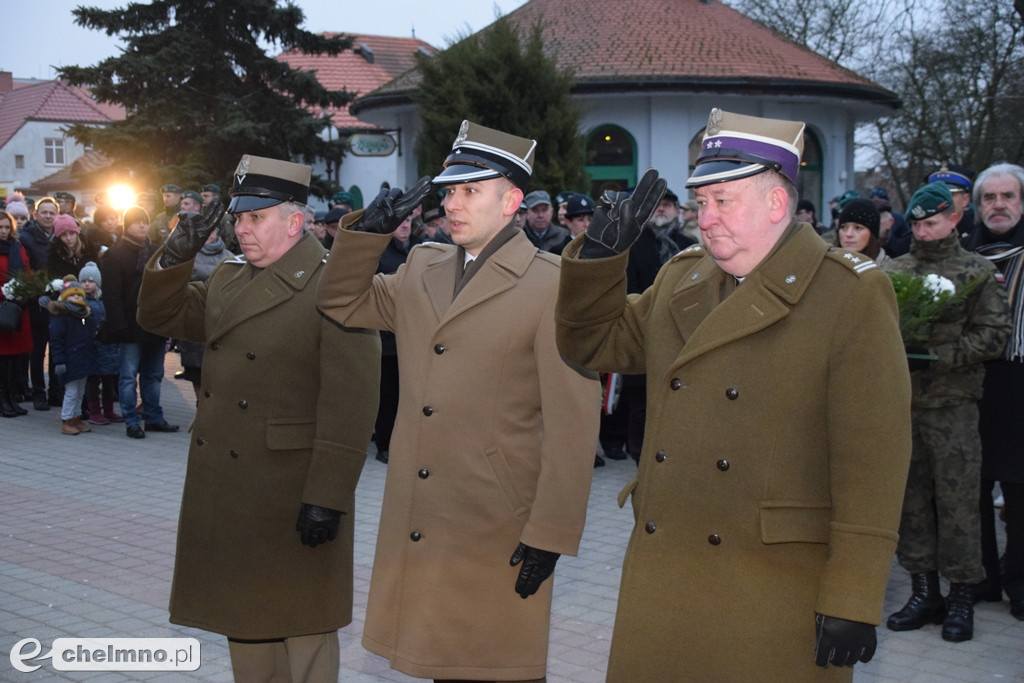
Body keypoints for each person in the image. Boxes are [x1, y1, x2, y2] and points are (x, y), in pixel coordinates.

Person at [555, 108, 913, 680]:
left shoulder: (848, 294)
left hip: (771, 583)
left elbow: (874, 461)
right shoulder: (683, 277)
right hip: (666, 567)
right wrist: (599, 259)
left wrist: (853, 594)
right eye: (702, 203)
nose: (706, 218)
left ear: (776, 204)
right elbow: (590, 345)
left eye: (723, 201)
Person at [317, 120, 601, 682]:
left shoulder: (551, 283)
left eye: (471, 190)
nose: (453, 204)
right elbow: (341, 301)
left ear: (512, 201)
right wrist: (364, 237)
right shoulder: (423, 265)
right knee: (442, 663)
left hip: (497, 518)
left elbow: (573, 423)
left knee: (495, 666)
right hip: (424, 510)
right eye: (449, 191)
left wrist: (551, 532)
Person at [134, 155, 380, 682]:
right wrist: (178, 247)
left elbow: (352, 403)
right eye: (237, 218)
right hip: (231, 488)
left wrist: (328, 498)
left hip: (293, 492)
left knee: (304, 627)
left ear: (293, 221)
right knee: (245, 624)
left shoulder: (335, 284)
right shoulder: (229, 278)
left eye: (254, 218)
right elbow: (159, 316)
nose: (240, 229)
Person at [882, 180, 1010, 642]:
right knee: (911, 503)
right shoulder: (895, 270)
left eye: (931, 223)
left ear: (954, 219)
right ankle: (923, 592)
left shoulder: (976, 271)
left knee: (958, 506)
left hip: (954, 408)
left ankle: (960, 597)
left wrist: (941, 354)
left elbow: (996, 335)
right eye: (916, 224)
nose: (923, 231)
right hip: (906, 405)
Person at [960, 162, 1024, 620]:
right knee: (973, 489)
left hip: (1020, 389)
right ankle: (983, 577)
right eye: (990, 198)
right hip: (973, 388)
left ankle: (1019, 582)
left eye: (1008, 196)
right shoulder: (963, 257)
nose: (998, 205)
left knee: (1019, 494)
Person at [99, 205, 177, 439]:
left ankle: (153, 417)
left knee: (153, 375)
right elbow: (112, 294)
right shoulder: (115, 254)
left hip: (154, 323)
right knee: (127, 376)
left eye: (145, 221)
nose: (142, 225)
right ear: (127, 225)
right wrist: (119, 325)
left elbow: (165, 287)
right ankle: (131, 420)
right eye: (136, 222)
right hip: (130, 324)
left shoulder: (155, 250)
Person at [371, 214, 422, 465]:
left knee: (407, 395)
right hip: (387, 341)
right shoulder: (381, 254)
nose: (405, 226)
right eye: (400, 222)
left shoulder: (416, 251)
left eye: (408, 222)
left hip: (410, 337)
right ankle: (384, 444)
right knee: (387, 396)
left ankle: (404, 442)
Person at [170, 228, 230, 400]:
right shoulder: (190, 256)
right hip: (196, 314)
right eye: (206, 232)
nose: (209, 235)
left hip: (220, 317)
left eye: (213, 232)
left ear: (218, 233)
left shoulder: (228, 256)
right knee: (196, 370)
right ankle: (200, 405)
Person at [42, 276, 99, 435]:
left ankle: (76, 417)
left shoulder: (84, 315)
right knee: (72, 391)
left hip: (83, 359)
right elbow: (56, 341)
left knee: (80, 391)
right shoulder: (61, 316)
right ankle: (67, 419)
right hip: (70, 360)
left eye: (79, 295)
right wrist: (59, 361)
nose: (77, 298)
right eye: (73, 295)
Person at [20, 196, 60, 410]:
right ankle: (38, 392)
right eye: (44, 212)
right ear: (36, 214)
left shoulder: (61, 236)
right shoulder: (26, 237)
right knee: (37, 351)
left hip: (57, 302)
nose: (48, 216)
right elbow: (26, 270)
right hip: (36, 301)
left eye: (51, 213)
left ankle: (56, 391)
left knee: (57, 348)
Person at [77, 261, 121, 425]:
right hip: (91, 346)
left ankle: (109, 410)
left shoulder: (105, 299)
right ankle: (94, 411)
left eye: (90, 281)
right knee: (93, 380)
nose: (87, 284)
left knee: (109, 379)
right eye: (84, 281)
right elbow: (80, 323)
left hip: (108, 345)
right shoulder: (80, 302)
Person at [0, 210, 32, 417]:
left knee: (15, 359)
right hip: (1, 309)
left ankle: (13, 397)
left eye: (6, 227)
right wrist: (4, 292)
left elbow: (26, 272)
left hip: (18, 309)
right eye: (0, 227)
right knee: (2, 359)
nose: (3, 231)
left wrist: (25, 288)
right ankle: (3, 399)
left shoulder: (17, 248)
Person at [836, 198, 890, 266]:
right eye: (843, 227)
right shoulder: (827, 268)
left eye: (858, 228)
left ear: (872, 234)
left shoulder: (892, 273)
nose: (848, 234)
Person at [48, 214, 99, 280]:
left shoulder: (89, 250)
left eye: (72, 233)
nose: (68, 238)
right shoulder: (55, 255)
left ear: (77, 233)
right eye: (63, 235)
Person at [522, 189, 571, 254]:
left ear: (551, 212)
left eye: (544, 210)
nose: (540, 215)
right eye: (535, 210)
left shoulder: (564, 236)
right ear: (526, 213)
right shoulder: (519, 236)